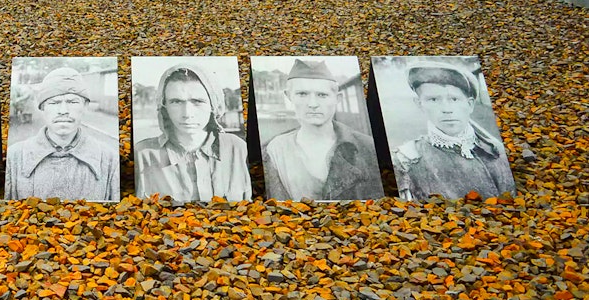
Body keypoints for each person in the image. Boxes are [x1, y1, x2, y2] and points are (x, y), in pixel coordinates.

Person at [263, 59, 383, 201]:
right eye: (302, 94)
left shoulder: (368, 147)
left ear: (337, 99)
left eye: (322, 95)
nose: (313, 104)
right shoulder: (275, 150)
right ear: (289, 97)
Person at [393, 60, 515, 200]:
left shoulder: (497, 149)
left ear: (469, 104)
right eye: (433, 100)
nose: (446, 109)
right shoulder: (406, 160)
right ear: (420, 104)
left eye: (454, 99)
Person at [134, 64, 251, 202]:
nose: (187, 114)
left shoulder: (238, 149)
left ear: (213, 105)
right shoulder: (142, 155)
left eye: (197, 101)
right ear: (164, 106)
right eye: (176, 102)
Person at [5, 67, 119, 201]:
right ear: (42, 107)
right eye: (54, 102)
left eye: (72, 102)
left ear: (85, 106)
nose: (63, 110)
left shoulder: (110, 159)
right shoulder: (14, 158)